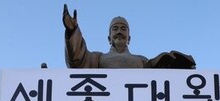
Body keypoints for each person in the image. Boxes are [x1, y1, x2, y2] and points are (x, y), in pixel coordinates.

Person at [63, 4, 195, 69]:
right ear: (109, 38)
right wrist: (73, 31)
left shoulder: (142, 61)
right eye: (115, 29)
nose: (119, 31)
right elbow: (77, 59)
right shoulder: (97, 58)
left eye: (123, 29)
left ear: (129, 38)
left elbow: (160, 73)